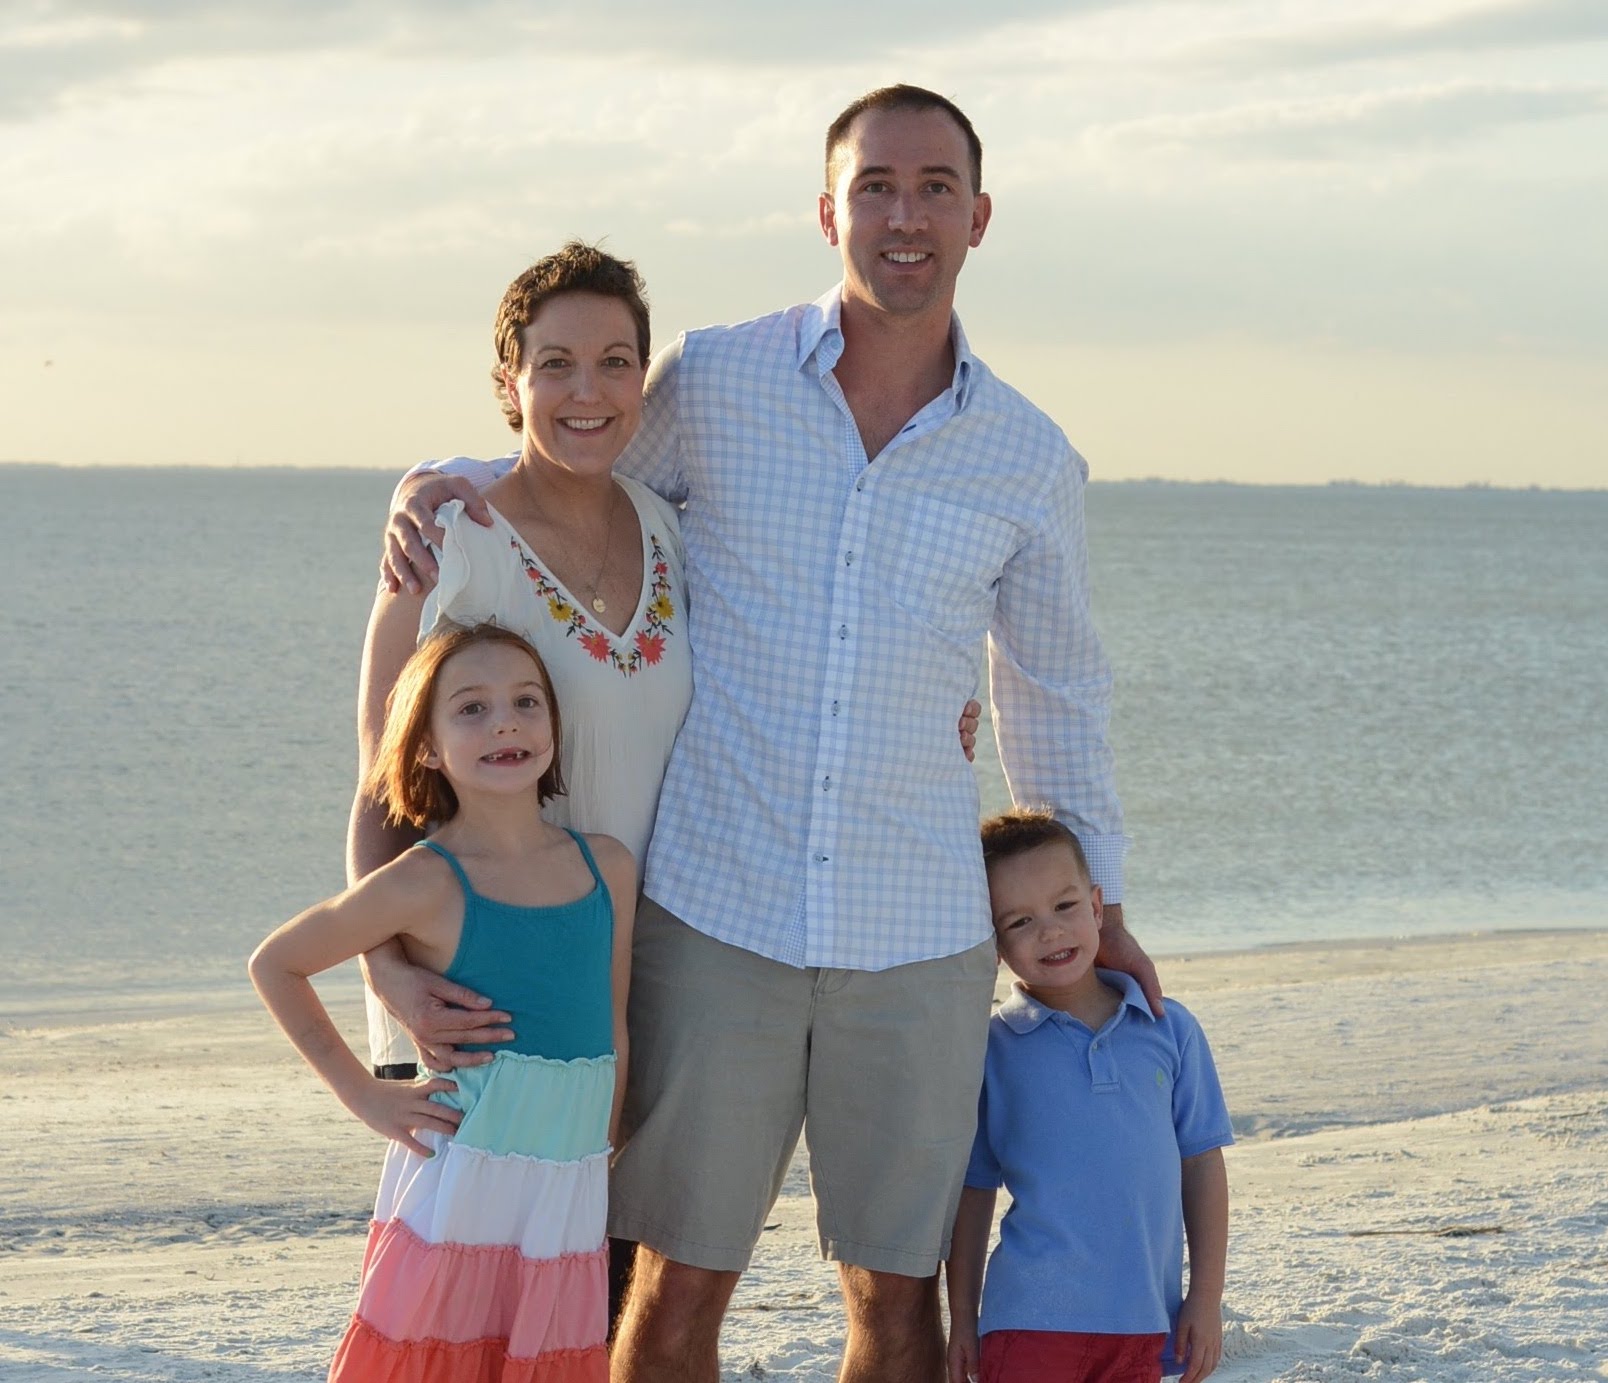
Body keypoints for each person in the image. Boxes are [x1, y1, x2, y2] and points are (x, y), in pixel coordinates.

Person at [382, 85, 1159, 1383]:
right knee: (671, 1288)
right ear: (825, 211)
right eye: (874, 186)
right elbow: (582, 456)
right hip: (713, 916)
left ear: (979, 216)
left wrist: (1107, 903)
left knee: (899, 1301)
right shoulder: (723, 375)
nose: (902, 215)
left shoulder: (1029, 459)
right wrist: (445, 481)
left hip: (916, 937)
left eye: (931, 188)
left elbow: (1055, 691)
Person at [249, 622, 636, 1381]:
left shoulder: (607, 866)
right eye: (471, 708)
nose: (505, 722)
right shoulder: (426, 879)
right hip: (466, 1175)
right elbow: (278, 963)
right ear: (425, 745)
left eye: (527, 701)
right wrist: (367, 1097)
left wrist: (606, 1145)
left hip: (569, 1178)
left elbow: (614, 1020)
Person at [351, 242, 692, 1082]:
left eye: (615, 363)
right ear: (511, 383)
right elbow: (381, 775)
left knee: (624, 1214)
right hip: (488, 980)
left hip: (638, 969)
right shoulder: (450, 539)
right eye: (556, 364)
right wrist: (390, 972)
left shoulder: (667, 527)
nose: (588, 390)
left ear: (642, 380)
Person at [946, 810, 1230, 1383]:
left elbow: (1201, 1165)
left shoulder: (1166, 1027)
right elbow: (972, 1194)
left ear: (1098, 908)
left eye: (1065, 906)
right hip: (1025, 1322)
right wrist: (961, 1318)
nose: (1050, 931)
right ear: (994, 943)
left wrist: (1206, 1297)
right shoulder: (990, 1051)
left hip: (1146, 1321)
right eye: (1020, 921)